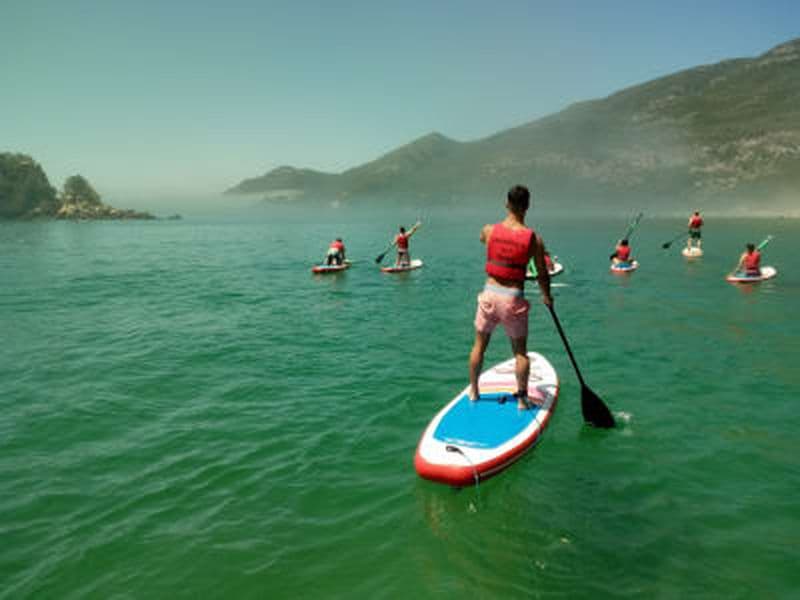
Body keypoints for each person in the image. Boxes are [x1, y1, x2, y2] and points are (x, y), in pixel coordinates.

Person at [469, 185, 552, 410]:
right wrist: (547, 296)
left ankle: (474, 392)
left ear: (507, 204)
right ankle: (523, 400)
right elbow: (543, 274)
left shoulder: (489, 230)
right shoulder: (534, 239)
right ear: (527, 206)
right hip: (512, 298)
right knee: (520, 353)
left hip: (489, 294)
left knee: (479, 346)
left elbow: (482, 239)